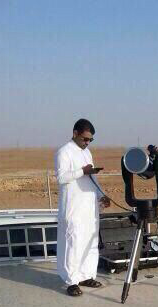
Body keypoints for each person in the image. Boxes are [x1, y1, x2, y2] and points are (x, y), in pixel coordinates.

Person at [55, 118, 110, 296]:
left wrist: (102, 195)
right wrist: (82, 171)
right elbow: (62, 178)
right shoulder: (64, 152)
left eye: (90, 140)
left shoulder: (87, 153)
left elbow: (92, 178)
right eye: (85, 139)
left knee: (90, 241)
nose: (87, 143)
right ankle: (71, 281)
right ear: (75, 134)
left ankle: (87, 275)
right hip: (73, 207)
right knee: (73, 241)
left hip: (89, 205)